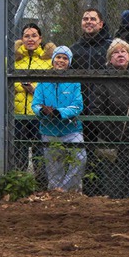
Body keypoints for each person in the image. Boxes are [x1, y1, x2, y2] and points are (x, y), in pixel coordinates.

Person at [91, 38, 129, 199]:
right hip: (111, 142)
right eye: (115, 52)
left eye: (123, 51)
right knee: (114, 189)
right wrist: (110, 133)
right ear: (109, 58)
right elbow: (96, 110)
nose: (120, 55)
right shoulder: (103, 80)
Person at [31, 46, 86, 192]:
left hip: (71, 128)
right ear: (53, 59)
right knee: (54, 167)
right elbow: (35, 104)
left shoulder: (74, 82)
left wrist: (58, 112)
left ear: (69, 62)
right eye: (58, 57)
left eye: (65, 58)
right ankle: (55, 193)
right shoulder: (43, 82)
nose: (61, 61)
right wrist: (43, 111)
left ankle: (67, 190)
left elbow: (77, 106)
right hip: (49, 129)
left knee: (80, 158)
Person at [70, 8, 112, 193]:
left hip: (105, 111)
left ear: (101, 23)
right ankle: (84, 191)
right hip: (80, 111)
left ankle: (106, 192)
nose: (88, 21)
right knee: (81, 153)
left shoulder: (109, 47)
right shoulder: (74, 49)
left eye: (93, 19)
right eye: (85, 18)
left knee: (104, 154)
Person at [13, 23, 52, 173]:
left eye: (34, 36)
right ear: (21, 39)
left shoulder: (48, 61)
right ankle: (18, 180)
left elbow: (49, 89)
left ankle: (41, 183)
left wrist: (34, 90)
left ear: (40, 38)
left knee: (40, 152)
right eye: (27, 36)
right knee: (18, 152)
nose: (30, 39)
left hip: (39, 114)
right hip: (18, 114)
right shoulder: (14, 60)